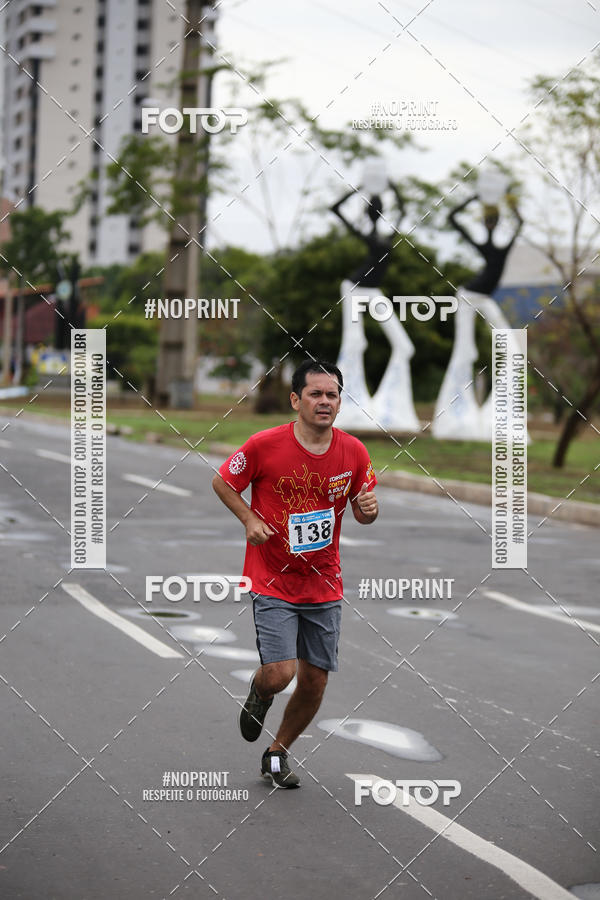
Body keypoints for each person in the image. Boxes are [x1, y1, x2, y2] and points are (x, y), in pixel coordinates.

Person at [212, 359, 379, 788]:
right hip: (270, 576)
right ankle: (260, 690)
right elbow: (223, 482)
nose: (325, 402)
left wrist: (368, 511)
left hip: (324, 581)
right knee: (280, 674)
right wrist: (249, 520)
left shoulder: (354, 452)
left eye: (333, 394)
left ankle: (277, 753)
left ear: (340, 401)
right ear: (296, 399)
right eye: (316, 394)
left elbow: (363, 510)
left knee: (314, 682)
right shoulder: (264, 444)